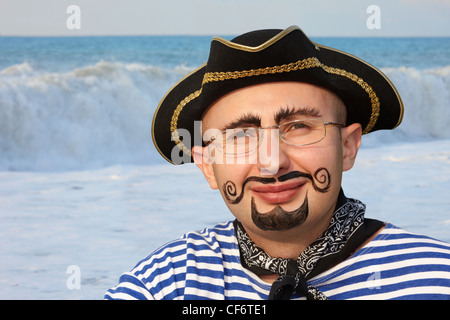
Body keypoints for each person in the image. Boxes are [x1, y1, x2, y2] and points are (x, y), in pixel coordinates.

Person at [105, 26, 450, 300]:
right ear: (207, 165)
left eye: (299, 127)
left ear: (347, 146)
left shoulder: (435, 278)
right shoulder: (167, 284)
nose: (271, 163)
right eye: (240, 135)